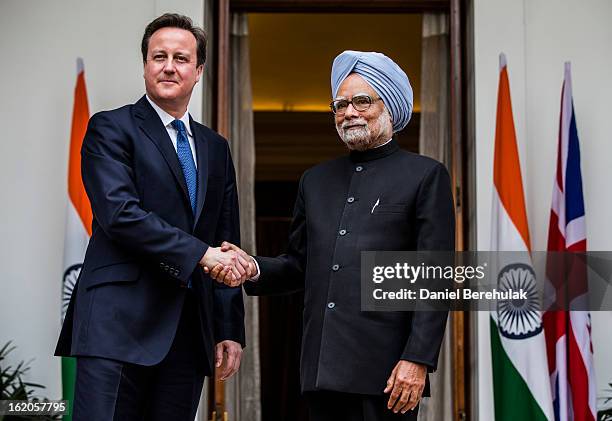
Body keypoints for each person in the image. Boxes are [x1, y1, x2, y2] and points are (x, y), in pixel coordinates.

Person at [210, 50, 455, 420]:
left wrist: (417, 359)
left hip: (388, 374)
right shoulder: (315, 180)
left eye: (361, 101)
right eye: (340, 105)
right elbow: (298, 265)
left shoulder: (425, 176)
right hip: (322, 369)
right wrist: (253, 267)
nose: (349, 112)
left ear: (388, 105)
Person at [55, 13, 252, 421]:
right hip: (116, 328)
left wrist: (228, 327)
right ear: (145, 64)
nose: (168, 66)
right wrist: (202, 255)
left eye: (181, 58)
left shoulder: (216, 148)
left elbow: (225, 239)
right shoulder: (110, 128)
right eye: (158, 56)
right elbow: (120, 215)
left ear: (198, 71)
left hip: (186, 333)